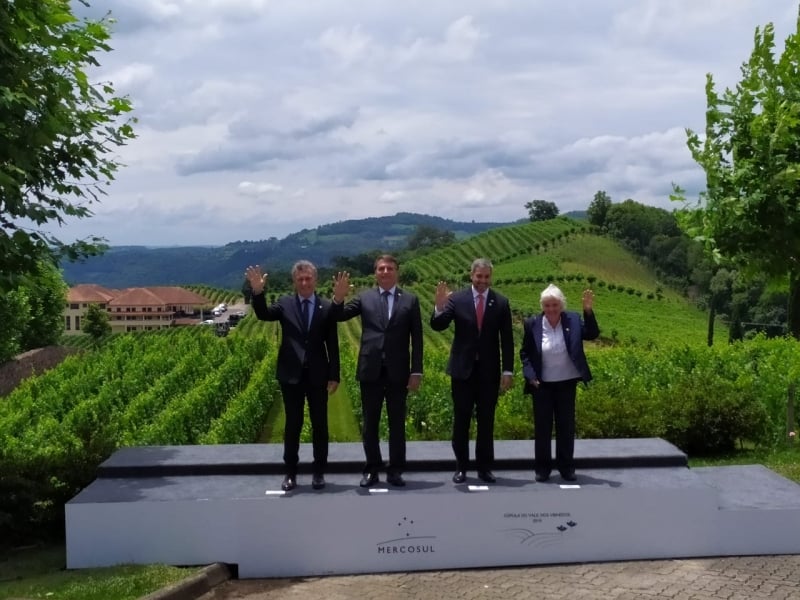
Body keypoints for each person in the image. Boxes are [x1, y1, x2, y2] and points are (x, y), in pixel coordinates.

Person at [245, 260, 340, 492]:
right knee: (293, 425)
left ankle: (319, 472)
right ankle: (290, 473)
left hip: (318, 375)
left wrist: (334, 374)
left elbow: (333, 344)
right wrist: (258, 292)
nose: (305, 282)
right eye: (300, 279)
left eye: (308, 278)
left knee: (320, 425)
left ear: (315, 280)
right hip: (291, 376)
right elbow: (264, 314)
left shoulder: (326, 307)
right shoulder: (284, 304)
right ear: (294, 282)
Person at [331, 255, 423, 488]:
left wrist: (416, 371)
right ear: (375, 273)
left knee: (397, 423)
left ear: (397, 272)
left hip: (399, 372)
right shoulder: (365, 298)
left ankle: (395, 471)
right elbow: (339, 316)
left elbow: (418, 339)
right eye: (381, 268)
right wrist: (338, 298)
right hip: (370, 369)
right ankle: (372, 468)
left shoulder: (410, 300)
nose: (385, 271)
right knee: (370, 423)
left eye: (389, 268)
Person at [431, 258, 514, 485]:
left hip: (489, 373)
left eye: (486, 277)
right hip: (462, 372)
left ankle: (485, 468)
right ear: (472, 276)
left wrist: (508, 371)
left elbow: (507, 340)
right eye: (479, 276)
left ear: (491, 278)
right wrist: (438, 307)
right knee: (461, 420)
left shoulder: (501, 302)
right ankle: (461, 467)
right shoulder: (457, 299)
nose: (482, 281)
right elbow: (438, 326)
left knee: (486, 422)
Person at [519, 283, 598, 482]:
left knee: (566, 427)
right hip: (542, 385)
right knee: (542, 428)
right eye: (547, 305)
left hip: (566, 383)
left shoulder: (572, 318)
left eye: (554, 304)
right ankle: (542, 468)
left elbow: (591, 334)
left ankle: (566, 467)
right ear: (542, 306)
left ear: (561, 305)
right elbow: (525, 353)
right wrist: (530, 376)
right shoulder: (532, 324)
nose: (551, 309)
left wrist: (588, 311)